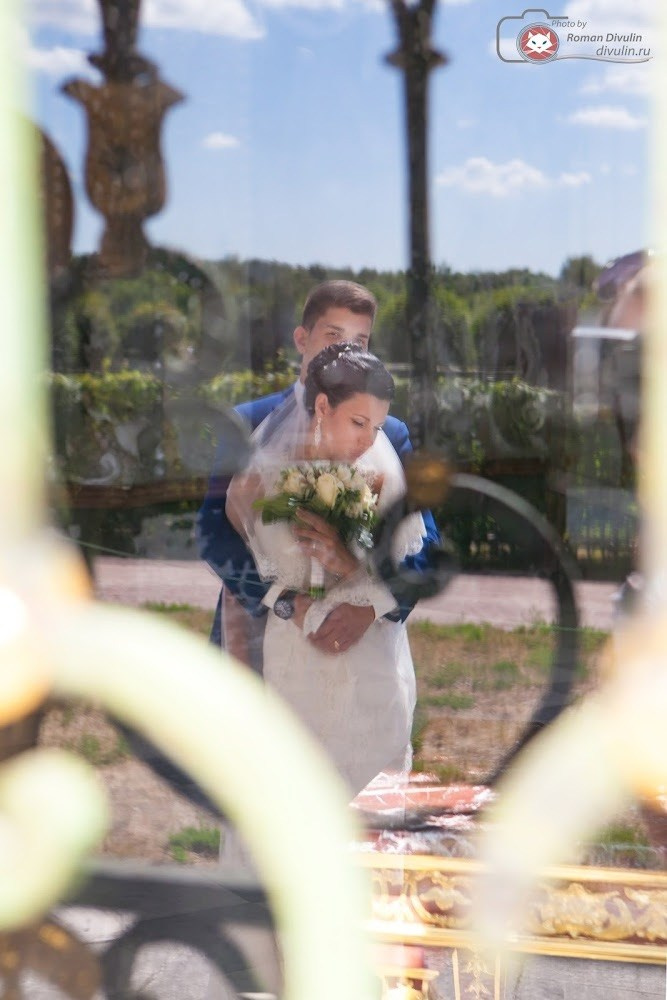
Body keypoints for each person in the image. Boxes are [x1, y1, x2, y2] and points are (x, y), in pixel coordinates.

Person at [197, 279, 439, 673]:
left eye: (360, 341)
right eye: (333, 335)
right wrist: (283, 601)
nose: (346, 350)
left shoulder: (389, 434)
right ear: (301, 338)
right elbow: (213, 532)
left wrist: (374, 604)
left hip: (361, 645)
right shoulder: (248, 422)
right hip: (259, 632)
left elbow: (426, 543)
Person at [226, 342, 424, 796]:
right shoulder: (263, 476)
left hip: (372, 661)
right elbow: (243, 567)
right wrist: (284, 602)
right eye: (358, 422)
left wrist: (349, 565)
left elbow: (409, 567)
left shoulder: (383, 475)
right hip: (296, 661)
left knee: (372, 809)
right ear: (321, 407)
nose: (369, 440)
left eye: (377, 426)